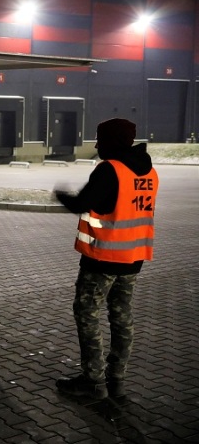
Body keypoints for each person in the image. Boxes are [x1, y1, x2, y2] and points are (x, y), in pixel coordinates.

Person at [54, 118, 158, 401]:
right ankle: (117, 379)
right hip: (133, 258)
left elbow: (81, 203)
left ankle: (92, 380)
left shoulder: (110, 170)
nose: (97, 145)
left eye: (100, 139)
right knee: (122, 316)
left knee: (87, 313)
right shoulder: (149, 172)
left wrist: (60, 194)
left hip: (103, 258)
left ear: (111, 141)